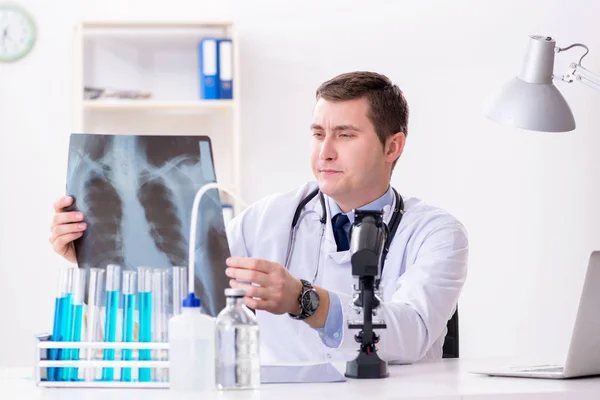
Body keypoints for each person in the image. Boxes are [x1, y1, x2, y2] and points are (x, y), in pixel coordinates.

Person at [49, 71, 468, 365]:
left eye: (345, 135)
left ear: (392, 147)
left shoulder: (435, 232)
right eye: (318, 134)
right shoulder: (267, 218)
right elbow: (191, 298)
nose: (325, 151)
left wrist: (304, 300)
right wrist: (95, 257)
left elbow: (412, 331)